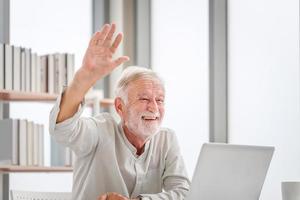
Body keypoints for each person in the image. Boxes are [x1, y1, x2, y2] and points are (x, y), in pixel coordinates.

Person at [49, 23, 190, 200]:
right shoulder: (100, 131)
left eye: (160, 100)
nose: (154, 107)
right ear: (120, 107)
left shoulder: (167, 139)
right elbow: (63, 130)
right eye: (144, 99)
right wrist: (83, 78)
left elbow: (184, 193)